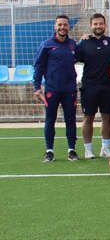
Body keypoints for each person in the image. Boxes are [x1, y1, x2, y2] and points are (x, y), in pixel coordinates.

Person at [33, 14, 79, 162]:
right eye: (59, 25)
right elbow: (39, 66)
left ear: (69, 26)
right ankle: (49, 151)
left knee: (70, 121)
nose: (62, 27)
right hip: (51, 90)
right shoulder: (46, 44)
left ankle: (72, 150)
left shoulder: (73, 45)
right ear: (55, 26)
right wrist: (37, 87)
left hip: (70, 90)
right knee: (49, 120)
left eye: (65, 24)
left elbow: (82, 57)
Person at [76, 13, 110, 159]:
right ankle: (88, 149)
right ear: (91, 25)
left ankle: (105, 148)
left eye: (101, 23)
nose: (98, 26)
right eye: (95, 24)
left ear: (105, 25)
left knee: (107, 117)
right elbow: (74, 57)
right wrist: (80, 40)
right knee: (89, 118)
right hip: (89, 86)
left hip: (107, 86)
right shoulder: (84, 42)